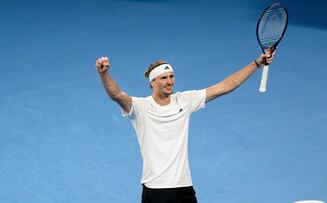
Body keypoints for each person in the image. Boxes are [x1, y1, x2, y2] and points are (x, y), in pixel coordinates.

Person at [96, 51, 274, 203]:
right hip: (156, 189)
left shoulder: (185, 100)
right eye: (163, 78)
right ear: (152, 82)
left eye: (171, 76)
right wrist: (104, 75)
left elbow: (225, 86)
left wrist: (256, 63)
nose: (169, 81)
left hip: (183, 187)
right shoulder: (140, 108)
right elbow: (117, 95)